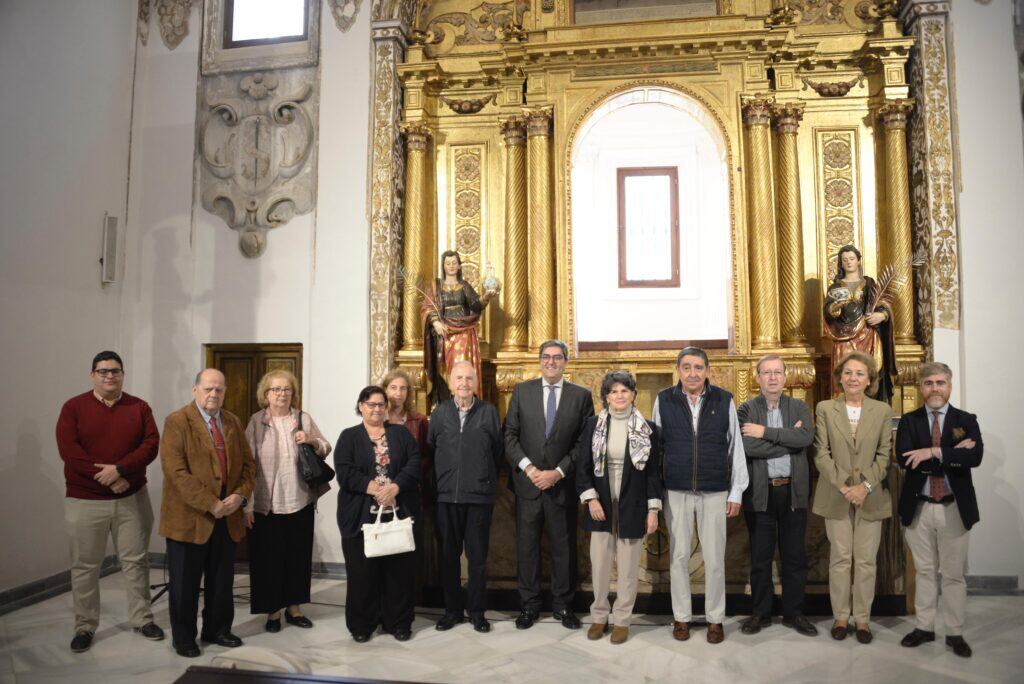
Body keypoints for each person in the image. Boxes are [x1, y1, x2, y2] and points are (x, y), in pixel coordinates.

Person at [55, 351, 164, 653]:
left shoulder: (138, 407)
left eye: (115, 371)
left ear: (122, 375)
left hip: (132, 497)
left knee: (136, 562)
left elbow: (151, 445)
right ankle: (85, 626)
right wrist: (109, 476)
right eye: (102, 371)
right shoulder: (73, 408)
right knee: (85, 566)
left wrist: (121, 470)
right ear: (92, 375)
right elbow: (70, 451)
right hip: (85, 500)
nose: (109, 376)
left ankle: (142, 619)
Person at [653, 346, 748, 644]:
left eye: (698, 367)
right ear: (678, 370)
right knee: (679, 556)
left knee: (714, 558)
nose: (692, 373)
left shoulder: (724, 399)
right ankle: (681, 617)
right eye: (686, 367)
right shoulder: (664, 400)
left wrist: (736, 491)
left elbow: (736, 449)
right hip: (676, 489)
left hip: (715, 489)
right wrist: (655, 496)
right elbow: (656, 449)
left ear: (708, 370)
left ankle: (715, 619)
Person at [159, 369, 255, 658]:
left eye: (219, 390)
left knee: (221, 581)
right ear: (195, 389)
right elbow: (176, 472)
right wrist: (211, 503)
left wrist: (240, 496)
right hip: (190, 518)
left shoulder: (233, 421)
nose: (214, 395)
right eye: (208, 389)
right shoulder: (177, 422)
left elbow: (250, 467)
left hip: (227, 518)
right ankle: (184, 638)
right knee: (185, 585)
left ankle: (217, 629)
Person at [504, 339, 595, 630]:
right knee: (527, 548)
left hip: (561, 486)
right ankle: (529, 606)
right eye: (546, 357)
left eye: (557, 357)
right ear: (540, 361)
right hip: (528, 485)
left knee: (563, 548)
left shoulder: (581, 396)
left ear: (566, 362)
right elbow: (510, 436)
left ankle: (563, 606)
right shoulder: (522, 391)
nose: (551, 362)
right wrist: (530, 468)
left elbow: (584, 442)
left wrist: (557, 472)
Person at [896, 362, 982, 658]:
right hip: (919, 508)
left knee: (954, 574)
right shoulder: (909, 421)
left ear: (950, 385)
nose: (935, 388)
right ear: (921, 387)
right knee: (925, 571)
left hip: (955, 507)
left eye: (940, 382)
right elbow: (905, 459)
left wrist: (933, 452)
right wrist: (954, 454)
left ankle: (955, 632)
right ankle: (924, 627)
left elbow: (975, 457)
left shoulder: (966, 420)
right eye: (929, 382)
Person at [812, 351, 893, 644]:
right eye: (847, 373)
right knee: (841, 559)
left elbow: (885, 455)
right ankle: (841, 617)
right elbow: (821, 453)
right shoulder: (825, 408)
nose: (853, 378)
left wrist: (865, 487)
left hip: (871, 497)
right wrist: (846, 485)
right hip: (837, 495)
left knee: (866, 561)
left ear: (869, 379)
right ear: (839, 378)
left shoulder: (882, 410)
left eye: (859, 373)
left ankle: (862, 620)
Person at [577, 371, 662, 644]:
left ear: (634, 395)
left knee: (627, 567)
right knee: (600, 564)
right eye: (613, 391)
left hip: (634, 504)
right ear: (606, 397)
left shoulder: (648, 429)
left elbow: (653, 474)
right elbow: (582, 468)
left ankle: (622, 620)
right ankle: (599, 616)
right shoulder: (592, 426)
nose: (619, 396)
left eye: (625, 391)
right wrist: (591, 499)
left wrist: (652, 510)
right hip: (600, 504)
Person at [243, 369, 332, 633]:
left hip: (299, 501)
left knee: (298, 556)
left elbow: (326, 447)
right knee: (268, 559)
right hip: (265, 505)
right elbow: (246, 466)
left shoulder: (302, 418)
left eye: (287, 389)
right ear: (266, 394)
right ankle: (272, 612)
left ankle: (294, 608)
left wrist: (312, 440)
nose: (282, 394)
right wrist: (246, 505)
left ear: (293, 393)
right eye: (276, 389)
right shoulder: (256, 421)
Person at [737, 355, 817, 637]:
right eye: (766, 373)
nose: (772, 377)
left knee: (794, 556)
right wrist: (787, 441)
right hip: (760, 494)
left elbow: (806, 439)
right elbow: (746, 447)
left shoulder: (798, 407)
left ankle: (794, 613)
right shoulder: (746, 409)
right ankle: (760, 613)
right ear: (757, 378)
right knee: (760, 558)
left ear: (785, 377)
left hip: (792, 492)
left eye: (777, 372)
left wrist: (766, 433)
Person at [334, 386, 421, 643]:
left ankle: (399, 623)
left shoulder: (401, 433)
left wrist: (394, 487)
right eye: (371, 404)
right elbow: (345, 472)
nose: (377, 409)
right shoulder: (349, 437)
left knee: (398, 574)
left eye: (381, 405)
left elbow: (414, 463)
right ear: (360, 406)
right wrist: (375, 489)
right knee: (363, 574)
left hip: (397, 512)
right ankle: (362, 625)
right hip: (360, 516)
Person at [426, 361, 503, 633]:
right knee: (448, 558)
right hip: (447, 497)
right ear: (450, 382)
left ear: (475, 383)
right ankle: (452, 611)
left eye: (469, 378)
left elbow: (497, 452)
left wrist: (483, 480)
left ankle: (477, 612)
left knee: (478, 559)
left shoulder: (489, 412)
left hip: (478, 498)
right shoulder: (439, 414)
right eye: (458, 378)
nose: (464, 383)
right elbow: (432, 448)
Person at [382, 368, 437, 593]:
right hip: (382, 492)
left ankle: (409, 598)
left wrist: (407, 475)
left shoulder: (418, 420)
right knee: (384, 545)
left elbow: (426, 454)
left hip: (410, 491)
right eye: (393, 388)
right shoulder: (377, 417)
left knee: (409, 546)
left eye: (403, 388)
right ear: (385, 390)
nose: (398, 393)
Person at [823, 245, 897, 403]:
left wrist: (881, 315)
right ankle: (844, 411)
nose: (848, 262)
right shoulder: (835, 287)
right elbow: (827, 312)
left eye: (851, 259)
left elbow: (883, 305)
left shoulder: (869, 284)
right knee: (844, 374)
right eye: (844, 260)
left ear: (858, 261)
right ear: (841, 264)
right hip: (842, 337)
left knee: (868, 372)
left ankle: (869, 407)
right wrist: (835, 307)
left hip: (867, 335)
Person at [422, 250, 497, 405]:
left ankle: (464, 402)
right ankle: (447, 401)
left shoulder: (464, 286)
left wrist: (487, 297)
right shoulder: (436, 286)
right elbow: (427, 307)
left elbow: (476, 305)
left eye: (454, 263)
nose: (451, 266)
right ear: (443, 266)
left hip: (464, 333)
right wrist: (435, 322)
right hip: (444, 333)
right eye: (447, 263)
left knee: (461, 365)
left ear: (459, 266)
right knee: (445, 367)